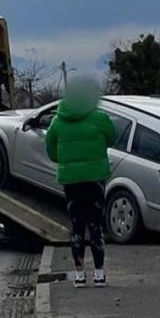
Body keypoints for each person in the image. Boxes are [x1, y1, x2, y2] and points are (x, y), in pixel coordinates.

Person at [45, 77, 117, 288]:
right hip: (95, 178)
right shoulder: (100, 117)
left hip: (71, 180)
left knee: (77, 225)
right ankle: (99, 274)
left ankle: (78, 274)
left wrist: (68, 161)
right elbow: (111, 138)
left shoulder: (58, 121)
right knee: (95, 223)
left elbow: (51, 150)